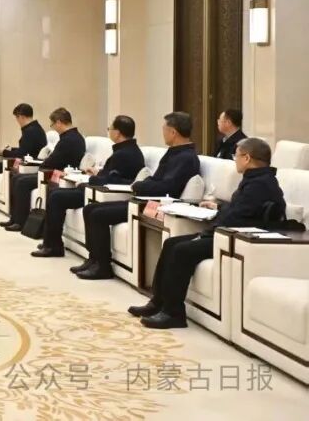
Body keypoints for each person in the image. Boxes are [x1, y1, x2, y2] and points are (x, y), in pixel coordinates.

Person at [131, 138, 284, 328]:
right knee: (171, 243)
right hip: (226, 232)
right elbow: (241, 210)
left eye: (236, 156)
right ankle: (157, 302)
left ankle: (173, 313)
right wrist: (218, 208)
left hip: (234, 239)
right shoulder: (257, 179)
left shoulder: (259, 184)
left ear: (247, 158)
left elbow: (237, 218)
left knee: (181, 250)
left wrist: (205, 233)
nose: (235, 160)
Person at [76, 111, 201, 280]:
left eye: (164, 129)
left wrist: (141, 186)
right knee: (90, 209)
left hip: (156, 205)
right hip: (145, 199)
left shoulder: (186, 157)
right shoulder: (174, 152)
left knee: (98, 215)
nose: (162, 133)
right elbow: (157, 179)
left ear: (173, 132)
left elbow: (168, 187)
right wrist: (143, 185)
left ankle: (103, 266)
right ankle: (94, 259)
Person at [31, 115, 145, 257]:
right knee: (55, 194)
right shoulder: (127, 150)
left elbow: (113, 180)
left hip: (103, 194)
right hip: (98, 190)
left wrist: (92, 179)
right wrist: (97, 173)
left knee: (56, 197)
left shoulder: (124, 153)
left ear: (117, 133)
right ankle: (51, 242)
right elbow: (114, 174)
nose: (109, 131)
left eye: (110, 128)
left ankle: (53, 246)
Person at [2, 107, 85, 232]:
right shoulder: (73, 137)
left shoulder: (69, 139)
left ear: (58, 122)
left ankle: (20, 221)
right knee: (17, 178)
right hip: (54, 171)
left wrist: (43, 165)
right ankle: (15, 218)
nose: (53, 128)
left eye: (52, 124)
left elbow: (54, 160)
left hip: (57, 175)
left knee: (21, 182)